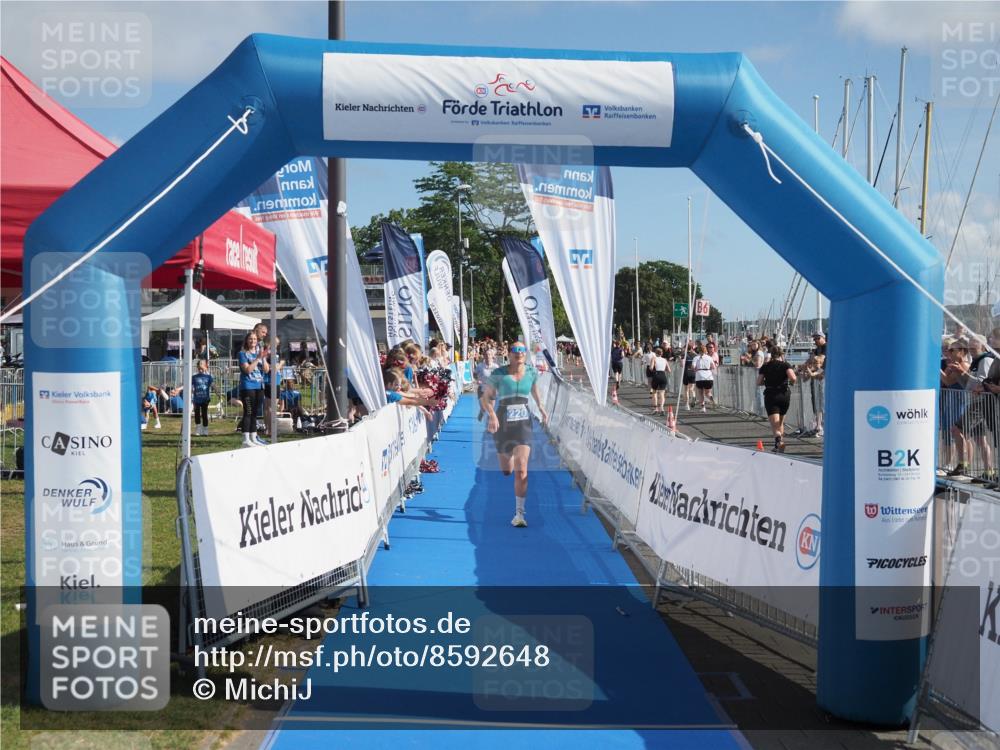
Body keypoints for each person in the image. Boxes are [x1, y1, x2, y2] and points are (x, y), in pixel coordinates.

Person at [480, 341, 549, 528]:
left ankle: (519, 514)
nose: (518, 353)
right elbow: (486, 398)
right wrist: (492, 415)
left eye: (521, 350)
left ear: (525, 354)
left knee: (522, 469)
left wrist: (541, 408)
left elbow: (534, 390)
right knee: (507, 471)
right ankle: (506, 456)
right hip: (502, 420)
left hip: (523, 422)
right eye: (515, 350)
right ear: (509, 354)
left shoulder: (531, 372)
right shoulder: (499, 374)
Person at [757, 346, 797, 452]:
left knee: (775, 423)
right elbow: (793, 377)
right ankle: (777, 445)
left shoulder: (765, 366)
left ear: (771, 354)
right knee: (780, 422)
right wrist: (791, 383)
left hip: (771, 395)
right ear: (781, 354)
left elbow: (759, 382)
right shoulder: (785, 365)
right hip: (784, 394)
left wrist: (767, 381)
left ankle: (779, 441)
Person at [238, 331, 268, 448]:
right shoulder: (243, 354)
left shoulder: (258, 352)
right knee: (248, 412)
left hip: (259, 386)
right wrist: (257, 359)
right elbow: (248, 370)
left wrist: (263, 358)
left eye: (255, 339)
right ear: (247, 340)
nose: (253, 341)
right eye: (250, 339)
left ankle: (253, 437)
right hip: (248, 386)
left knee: (255, 413)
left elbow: (266, 370)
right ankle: (245, 439)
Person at [475, 346, 499, 421]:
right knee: (484, 407)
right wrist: (477, 379)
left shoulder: (496, 366)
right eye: (486, 355)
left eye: (489, 355)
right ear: (484, 356)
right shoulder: (480, 366)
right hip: (482, 389)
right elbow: (474, 374)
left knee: (491, 409)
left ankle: (490, 425)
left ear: (492, 356)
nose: (487, 356)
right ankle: (482, 412)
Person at [191, 360, 213, 436]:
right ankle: (198, 429)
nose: (200, 369)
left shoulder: (208, 377)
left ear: (205, 367)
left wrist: (219, 393)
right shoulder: (194, 377)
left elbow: (213, 385)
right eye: (199, 367)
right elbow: (188, 385)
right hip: (196, 399)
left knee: (204, 414)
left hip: (205, 399)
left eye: (202, 367)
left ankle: (205, 429)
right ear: (197, 367)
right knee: (197, 414)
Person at [692, 343, 716, 412]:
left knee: (700, 393)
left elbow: (693, 367)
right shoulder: (709, 358)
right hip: (709, 377)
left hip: (699, 377)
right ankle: (711, 399)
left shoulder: (696, 358)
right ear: (705, 350)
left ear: (698, 351)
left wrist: (695, 369)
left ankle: (703, 407)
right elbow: (713, 367)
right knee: (707, 392)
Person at [649, 347, 670, 413]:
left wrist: (652, 368)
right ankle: (662, 408)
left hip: (656, 374)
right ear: (662, 353)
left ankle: (655, 408)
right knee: (662, 393)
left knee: (654, 392)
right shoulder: (665, 360)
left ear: (655, 353)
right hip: (663, 375)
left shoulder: (654, 358)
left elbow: (651, 368)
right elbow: (669, 370)